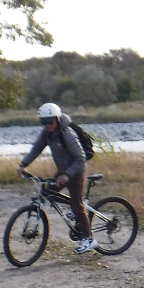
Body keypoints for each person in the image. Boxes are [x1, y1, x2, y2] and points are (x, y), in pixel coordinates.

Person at [17, 102, 95, 254]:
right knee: (49, 192)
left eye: (50, 122)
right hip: (63, 171)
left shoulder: (66, 133)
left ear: (57, 120)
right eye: (43, 123)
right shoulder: (47, 133)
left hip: (76, 171)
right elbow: (36, 149)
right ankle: (77, 208)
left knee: (77, 204)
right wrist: (23, 164)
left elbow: (81, 158)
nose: (47, 125)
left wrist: (67, 175)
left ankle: (89, 238)